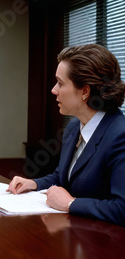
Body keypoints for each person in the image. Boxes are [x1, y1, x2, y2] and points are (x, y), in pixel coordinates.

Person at [7, 44, 125, 227]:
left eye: (60, 83)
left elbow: (121, 209)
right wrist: (34, 184)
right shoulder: (73, 127)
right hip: (75, 236)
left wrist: (70, 204)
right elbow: (64, 177)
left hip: (107, 247)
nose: (54, 90)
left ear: (85, 91)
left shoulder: (120, 135)